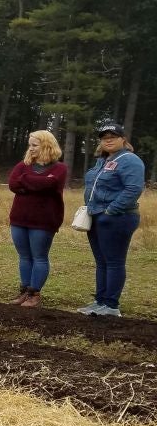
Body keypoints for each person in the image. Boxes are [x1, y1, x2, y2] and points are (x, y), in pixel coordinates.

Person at [77, 120, 145, 317]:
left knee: (114, 261)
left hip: (118, 218)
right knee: (102, 262)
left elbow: (133, 189)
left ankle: (111, 305)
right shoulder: (102, 161)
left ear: (123, 139)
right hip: (96, 216)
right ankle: (100, 301)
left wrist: (111, 210)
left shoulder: (129, 160)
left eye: (112, 137)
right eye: (104, 138)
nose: (108, 141)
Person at [7, 131, 67, 308]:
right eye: (30, 145)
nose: (30, 148)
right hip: (19, 218)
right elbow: (13, 184)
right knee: (24, 256)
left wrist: (25, 181)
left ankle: (34, 294)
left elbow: (50, 184)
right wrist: (36, 183)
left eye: (34, 145)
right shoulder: (22, 165)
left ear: (47, 145)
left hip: (44, 221)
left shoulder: (60, 168)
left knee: (39, 257)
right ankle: (24, 291)